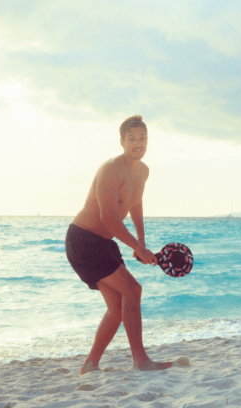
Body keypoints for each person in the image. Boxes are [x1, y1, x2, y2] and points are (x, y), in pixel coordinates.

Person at [65, 115, 172, 374]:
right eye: (132, 139)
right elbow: (108, 217)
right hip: (84, 240)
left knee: (117, 307)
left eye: (142, 138)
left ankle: (90, 365)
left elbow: (135, 203)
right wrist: (137, 248)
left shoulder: (143, 171)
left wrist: (142, 241)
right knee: (133, 291)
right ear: (122, 141)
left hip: (102, 243)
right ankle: (141, 360)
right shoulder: (111, 169)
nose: (138, 144)